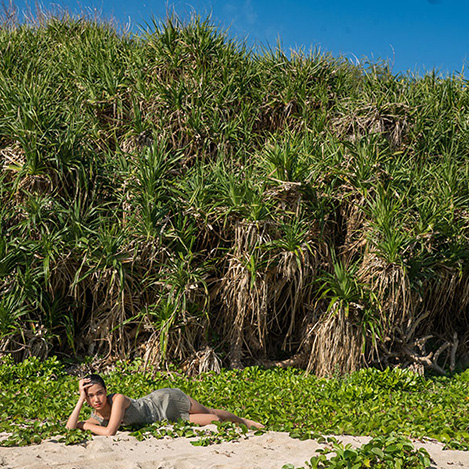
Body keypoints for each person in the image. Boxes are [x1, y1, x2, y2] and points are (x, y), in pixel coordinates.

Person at [66, 374, 263, 436]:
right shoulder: (97, 415)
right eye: (91, 396)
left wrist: (85, 425)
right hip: (164, 418)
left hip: (165, 400)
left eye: (99, 393)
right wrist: (80, 400)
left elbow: (110, 432)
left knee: (209, 411)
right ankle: (235, 420)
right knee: (215, 420)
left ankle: (242, 420)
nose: (97, 399)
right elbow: (69, 427)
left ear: (106, 391)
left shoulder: (117, 400)